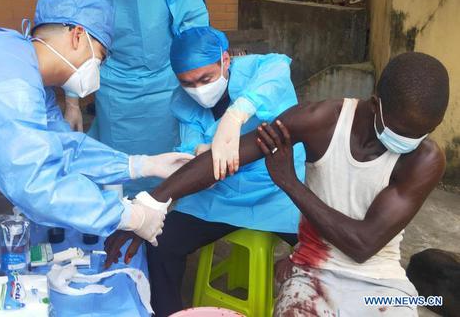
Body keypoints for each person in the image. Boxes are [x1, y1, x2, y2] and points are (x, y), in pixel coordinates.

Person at [0, 0, 193, 316]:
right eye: (99, 57)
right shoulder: (8, 85)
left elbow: (64, 147)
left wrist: (140, 164)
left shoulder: (21, 65)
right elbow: (37, 183)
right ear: (76, 36)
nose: (96, 71)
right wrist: (128, 215)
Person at [104, 52, 449, 316]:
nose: (408, 142)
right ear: (376, 105)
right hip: (314, 269)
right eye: (400, 131)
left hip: (382, 281)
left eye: (420, 135)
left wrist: (289, 182)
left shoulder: (426, 159)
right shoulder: (322, 121)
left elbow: (362, 245)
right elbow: (229, 155)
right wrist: (151, 201)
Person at [144, 26, 305, 315]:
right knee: (160, 245)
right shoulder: (182, 102)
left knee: (328, 251)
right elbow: (190, 144)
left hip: (276, 190)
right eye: (187, 83)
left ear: (225, 60)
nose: (198, 90)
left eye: (205, 78)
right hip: (220, 194)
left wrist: (236, 114)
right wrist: (196, 153)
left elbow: (277, 71)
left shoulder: (261, 68)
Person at [67, 0, 209, 196]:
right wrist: (71, 103)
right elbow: (73, 47)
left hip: (168, 81)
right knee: (120, 167)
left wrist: (198, 80)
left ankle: (169, 200)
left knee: (173, 161)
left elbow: (193, 27)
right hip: (115, 90)